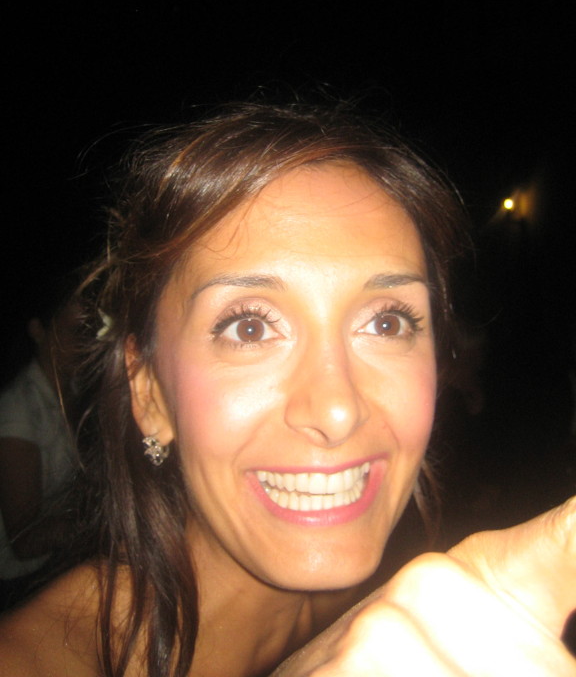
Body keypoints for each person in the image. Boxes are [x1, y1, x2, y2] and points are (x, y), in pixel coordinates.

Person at [0, 102, 573, 676]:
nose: (337, 410)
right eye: (249, 328)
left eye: (386, 322)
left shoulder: (398, 592)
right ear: (148, 393)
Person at [0, 287, 79, 609]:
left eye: (91, 330)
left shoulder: (77, 393)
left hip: (54, 568)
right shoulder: (17, 410)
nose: (86, 342)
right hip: (15, 585)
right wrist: (98, 524)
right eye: (74, 331)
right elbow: (24, 542)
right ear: (38, 330)